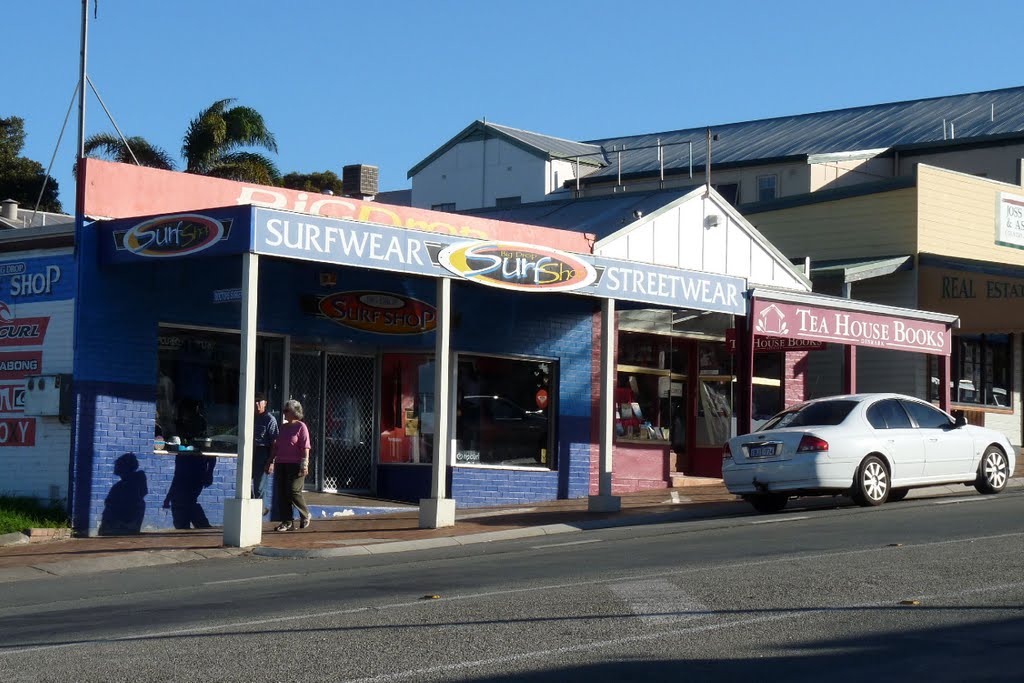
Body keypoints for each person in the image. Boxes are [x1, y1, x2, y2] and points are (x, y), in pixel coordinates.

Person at [267, 399, 312, 531]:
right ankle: (287, 522)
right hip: (281, 463)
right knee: (282, 493)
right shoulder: (282, 427)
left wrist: (305, 464)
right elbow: (276, 447)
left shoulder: (301, 427)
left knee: (293, 490)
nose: (284, 413)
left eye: (287, 410)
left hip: (296, 464)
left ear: (294, 412)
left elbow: (306, 447)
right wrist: (270, 461)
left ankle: (305, 514)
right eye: (284, 410)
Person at [252, 391, 279, 514]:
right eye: (255, 401)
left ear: (265, 403)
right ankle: (257, 508)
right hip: (250, 451)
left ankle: (259, 511)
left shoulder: (270, 419)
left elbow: (275, 442)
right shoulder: (250, 417)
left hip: (263, 452)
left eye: (259, 401)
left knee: (259, 486)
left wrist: (271, 461)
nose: (257, 403)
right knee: (245, 484)